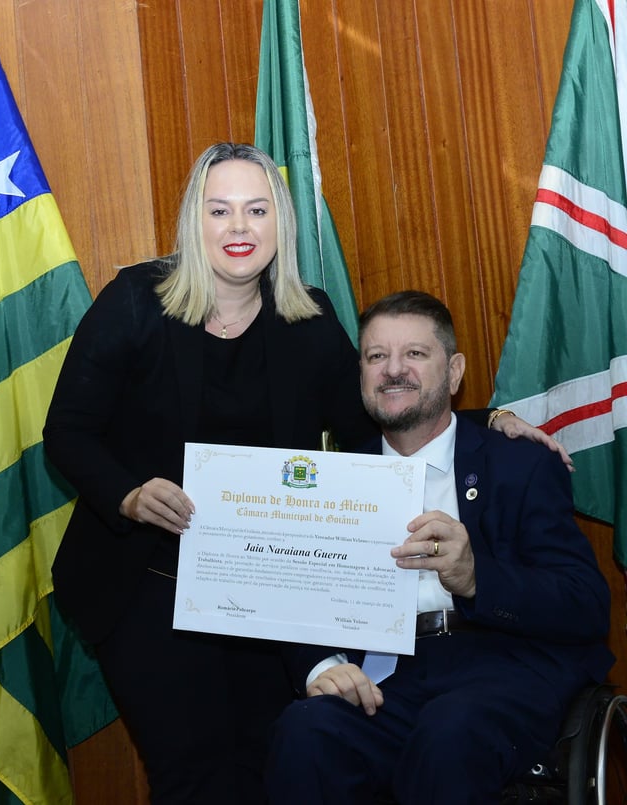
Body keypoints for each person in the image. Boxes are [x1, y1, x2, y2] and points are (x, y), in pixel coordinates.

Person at [43, 143, 569, 804]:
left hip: (270, 586)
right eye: (221, 210)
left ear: (280, 224)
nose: (239, 228)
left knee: (275, 761)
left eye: (256, 209)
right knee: (196, 776)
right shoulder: (135, 303)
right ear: (194, 222)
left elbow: (370, 425)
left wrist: (485, 419)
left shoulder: (307, 318)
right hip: (149, 580)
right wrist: (127, 494)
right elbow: (67, 430)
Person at [264, 290, 614, 805]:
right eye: (376, 356)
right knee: (306, 730)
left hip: (504, 668)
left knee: (451, 731)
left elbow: (586, 604)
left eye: (414, 354)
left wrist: (476, 578)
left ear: (453, 373)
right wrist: (321, 665)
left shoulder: (519, 464)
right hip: (390, 677)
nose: (393, 370)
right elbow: (297, 594)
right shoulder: (335, 480)